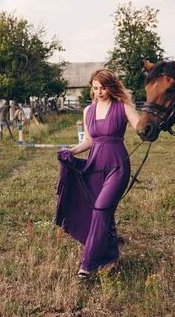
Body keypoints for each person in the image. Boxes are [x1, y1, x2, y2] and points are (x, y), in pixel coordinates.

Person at [55, 69, 140, 279]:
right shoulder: (88, 111)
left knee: (101, 209)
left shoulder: (124, 107)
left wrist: (154, 125)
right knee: (103, 212)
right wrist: (71, 151)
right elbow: (89, 141)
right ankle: (110, 257)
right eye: (95, 88)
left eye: (103, 88)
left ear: (111, 87)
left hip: (117, 166)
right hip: (95, 165)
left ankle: (88, 263)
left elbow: (141, 127)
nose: (99, 92)